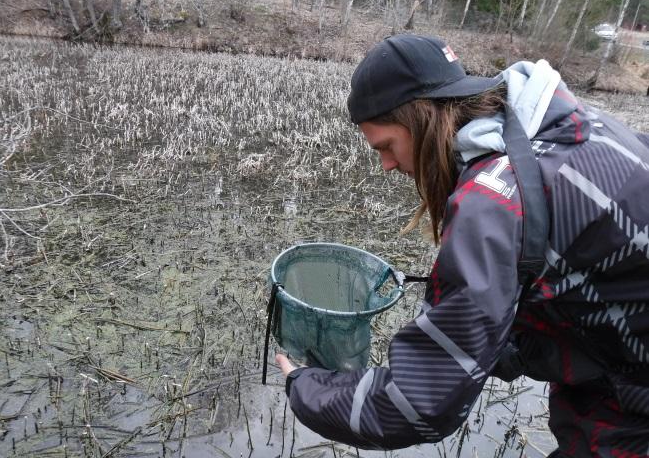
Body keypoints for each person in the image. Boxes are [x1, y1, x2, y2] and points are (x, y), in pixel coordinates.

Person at [275, 34, 649, 456]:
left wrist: (305, 387)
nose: (386, 165)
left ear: (420, 118)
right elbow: (587, 301)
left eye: (386, 146)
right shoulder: (567, 129)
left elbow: (417, 406)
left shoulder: (494, 202)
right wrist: (477, 348)